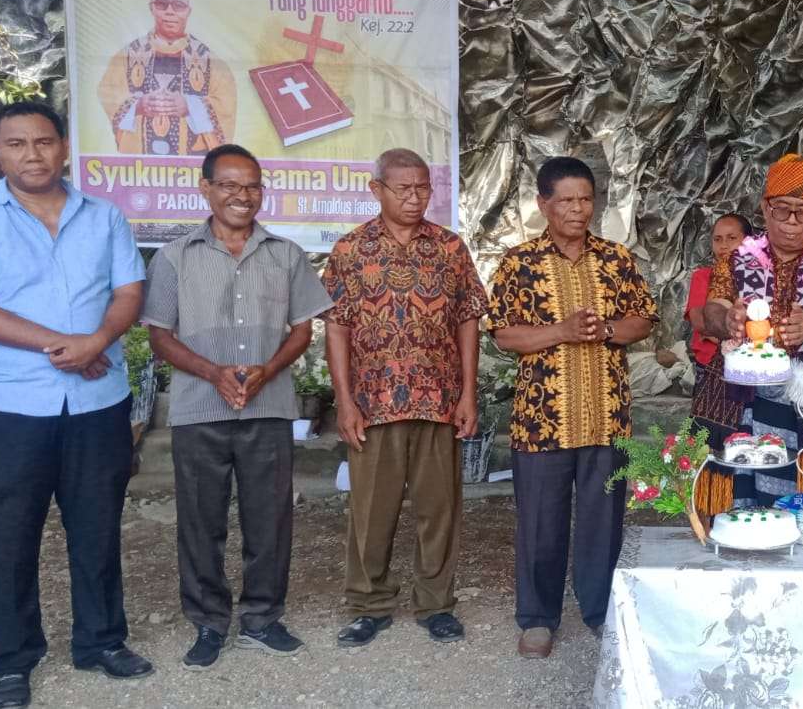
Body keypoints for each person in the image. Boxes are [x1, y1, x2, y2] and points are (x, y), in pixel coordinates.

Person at [0, 101, 152, 708]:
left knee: (97, 527)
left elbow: (129, 290)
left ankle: (101, 641)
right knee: (9, 535)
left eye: (43, 142)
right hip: (9, 405)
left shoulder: (104, 217)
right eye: (16, 144)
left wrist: (96, 342)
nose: (32, 154)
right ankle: (11, 660)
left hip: (98, 401)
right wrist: (61, 345)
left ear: (65, 148)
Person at [142, 144, 334, 669]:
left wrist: (267, 371)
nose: (241, 195)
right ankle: (208, 623)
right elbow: (160, 335)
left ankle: (263, 619)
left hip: (268, 408)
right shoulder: (175, 256)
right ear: (205, 189)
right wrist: (213, 372)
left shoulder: (286, 254)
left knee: (269, 521)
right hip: (198, 410)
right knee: (200, 522)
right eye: (228, 184)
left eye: (251, 186)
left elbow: (303, 327)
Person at [488, 156, 657, 659]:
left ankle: (601, 608)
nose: (578, 209)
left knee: (603, 519)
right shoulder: (519, 262)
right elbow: (503, 333)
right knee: (541, 521)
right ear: (543, 204)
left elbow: (643, 319)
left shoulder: (615, 258)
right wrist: (560, 332)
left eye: (586, 199)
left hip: (607, 416)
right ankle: (538, 618)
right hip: (542, 420)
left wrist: (605, 330)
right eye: (567, 200)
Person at [321, 148, 487, 648]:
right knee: (371, 510)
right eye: (404, 189)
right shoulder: (350, 251)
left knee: (440, 510)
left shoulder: (449, 249)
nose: (415, 198)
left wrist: (468, 394)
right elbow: (337, 328)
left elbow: (468, 320)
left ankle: (436, 604)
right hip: (373, 405)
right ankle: (369, 604)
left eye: (423, 189)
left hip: (438, 399)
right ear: (377, 190)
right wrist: (343, 401)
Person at [697, 153, 803, 509]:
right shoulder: (735, 259)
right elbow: (713, 309)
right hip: (733, 398)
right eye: (782, 209)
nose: (791, 222)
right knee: (729, 506)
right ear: (765, 208)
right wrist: (727, 321)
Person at [98, 0, 235, 156]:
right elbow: (109, 93)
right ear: (151, 9)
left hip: (193, 166)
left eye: (178, 5)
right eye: (162, 4)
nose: (170, 11)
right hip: (140, 166)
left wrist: (190, 106)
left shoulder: (209, 61)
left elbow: (226, 104)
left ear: (188, 11)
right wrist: (138, 105)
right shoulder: (129, 55)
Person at [687, 213, 749, 449]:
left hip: (749, 371)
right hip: (710, 370)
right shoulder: (704, 276)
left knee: (744, 439)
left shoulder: (759, 277)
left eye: (732, 238)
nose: (724, 246)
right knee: (709, 441)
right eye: (718, 239)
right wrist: (744, 337)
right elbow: (700, 322)